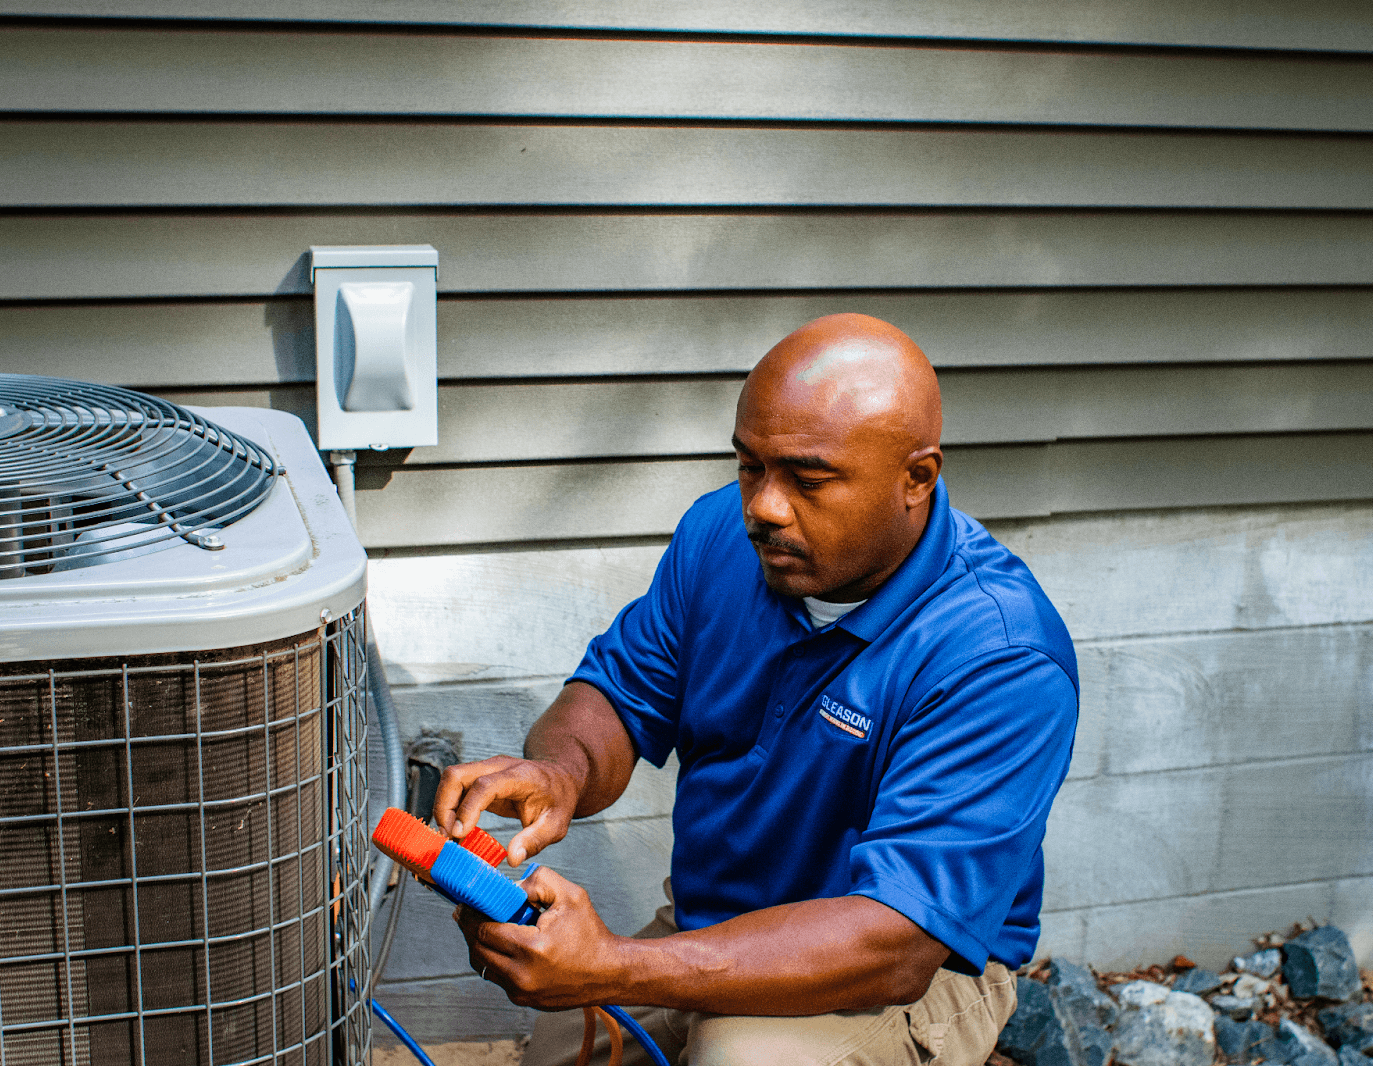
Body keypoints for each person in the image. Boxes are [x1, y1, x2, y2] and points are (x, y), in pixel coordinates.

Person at [434, 313, 1079, 1066]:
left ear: (917, 478)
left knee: (745, 1057)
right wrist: (562, 771)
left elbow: (895, 945)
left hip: (906, 972)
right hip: (715, 923)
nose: (763, 508)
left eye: (808, 479)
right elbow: (615, 694)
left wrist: (614, 964)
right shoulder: (720, 539)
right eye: (750, 466)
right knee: (562, 1050)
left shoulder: (998, 656)